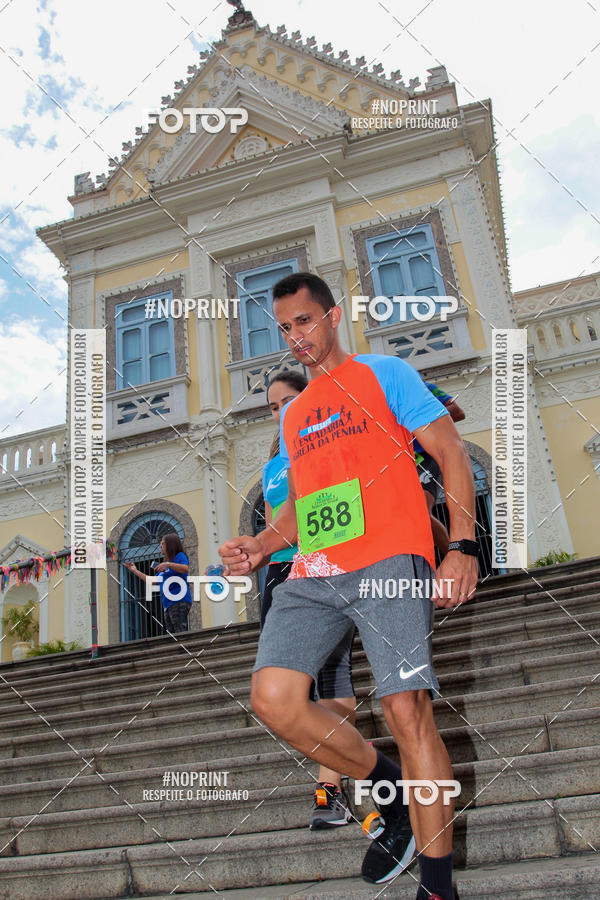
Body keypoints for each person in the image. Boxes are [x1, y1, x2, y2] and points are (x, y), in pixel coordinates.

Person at [219, 272, 477, 900]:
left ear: (332, 317)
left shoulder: (384, 374)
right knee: (275, 697)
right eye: (283, 328)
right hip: (317, 571)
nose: (294, 336)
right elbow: (302, 509)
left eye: (303, 321)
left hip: (389, 557)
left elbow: (450, 452)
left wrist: (463, 546)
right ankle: (391, 798)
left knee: (405, 709)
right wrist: (259, 545)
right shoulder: (297, 413)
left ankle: (438, 888)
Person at [263, 370, 357, 829]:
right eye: (272, 406)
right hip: (281, 577)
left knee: (333, 682)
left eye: (287, 401)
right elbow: (271, 526)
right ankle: (361, 772)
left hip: (322, 567)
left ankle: (329, 792)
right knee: (285, 695)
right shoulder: (271, 466)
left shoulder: (328, 438)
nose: (280, 411)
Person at [414, 383, 466, 556]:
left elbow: (458, 412)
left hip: (426, 456)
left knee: (421, 511)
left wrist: (420, 419)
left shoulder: (422, 387)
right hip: (401, 462)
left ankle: (456, 558)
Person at [125, 532, 192, 634]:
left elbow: (185, 568)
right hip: (168, 604)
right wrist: (135, 571)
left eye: (163, 543)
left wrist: (168, 564)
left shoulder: (179, 556)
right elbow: (152, 581)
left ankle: (184, 649)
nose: (160, 546)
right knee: (172, 634)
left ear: (171, 545)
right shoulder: (165, 568)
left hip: (179, 600)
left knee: (179, 631)